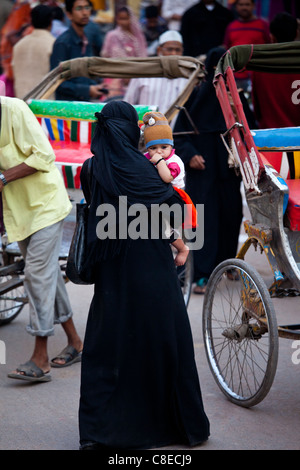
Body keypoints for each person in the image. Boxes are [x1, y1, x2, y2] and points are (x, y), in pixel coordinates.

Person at [78, 101, 210, 450]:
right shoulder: (149, 168)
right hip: (152, 268)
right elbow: (172, 210)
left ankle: (100, 434)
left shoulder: (91, 169)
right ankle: (177, 426)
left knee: (110, 344)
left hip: (112, 273)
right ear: (129, 130)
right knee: (163, 338)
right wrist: (181, 245)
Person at [0, 95, 83, 383]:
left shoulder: (13, 109)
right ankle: (75, 341)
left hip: (46, 205)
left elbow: (43, 156)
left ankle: (40, 358)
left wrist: (2, 179)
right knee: (49, 277)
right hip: (19, 210)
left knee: (36, 275)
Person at [173, 48, 255, 294]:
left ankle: (227, 264)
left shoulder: (236, 95)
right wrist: (190, 156)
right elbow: (179, 133)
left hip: (230, 171)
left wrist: (236, 106)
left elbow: (251, 129)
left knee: (231, 217)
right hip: (203, 169)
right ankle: (201, 274)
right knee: (204, 220)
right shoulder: (197, 95)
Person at [142, 111, 189, 266]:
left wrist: (160, 161)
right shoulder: (146, 158)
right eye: (153, 148)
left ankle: (182, 249)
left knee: (163, 227)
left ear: (171, 146)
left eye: (164, 147)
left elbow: (167, 178)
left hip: (174, 200)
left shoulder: (173, 161)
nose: (159, 151)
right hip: (157, 198)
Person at [124, 30, 187, 124]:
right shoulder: (143, 73)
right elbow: (128, 104)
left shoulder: (187, 78)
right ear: (159, 50)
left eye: (177, 50)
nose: (174, 53)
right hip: (144, 133)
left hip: (176, 134)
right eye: (169, 49)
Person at [251, 12, 300, 129]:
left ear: (272, 37)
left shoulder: (259, 67)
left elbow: (257, 111)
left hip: (269, 138)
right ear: (296, 34)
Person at [50, 0, 103, 101]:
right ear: (69, 14)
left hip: (84, 105)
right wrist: (86, 90)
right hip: (67, 108)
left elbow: (84, 74)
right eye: (79, 8)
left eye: (87, 8)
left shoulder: (86, 40)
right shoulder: (63, 43)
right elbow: (56, 82)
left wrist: (94, 86)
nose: (84, 12)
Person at [100, 6, 148, 100]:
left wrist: (134, 73)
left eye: (125, 18)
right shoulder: (112, 35)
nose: (122, 22)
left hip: (136, 75)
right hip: (115, 77)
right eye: (120, 19)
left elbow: (143, 57)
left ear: (131, 19)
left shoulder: (138, 37)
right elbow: (106, 55)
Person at [223, 0, 270, 91]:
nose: (244, 7)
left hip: (258, 76)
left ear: (254, 6)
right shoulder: (231, 27)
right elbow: (226, 49)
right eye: (241, 5)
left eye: (247, 4)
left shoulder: (263, 25)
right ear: (236, 7)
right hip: (235, 77)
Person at [12, 4, 55, 99]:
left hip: (22, 103)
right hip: (45, 106)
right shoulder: (53, 44)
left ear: (31, 21)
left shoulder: (18, 45)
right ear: (51, 22)